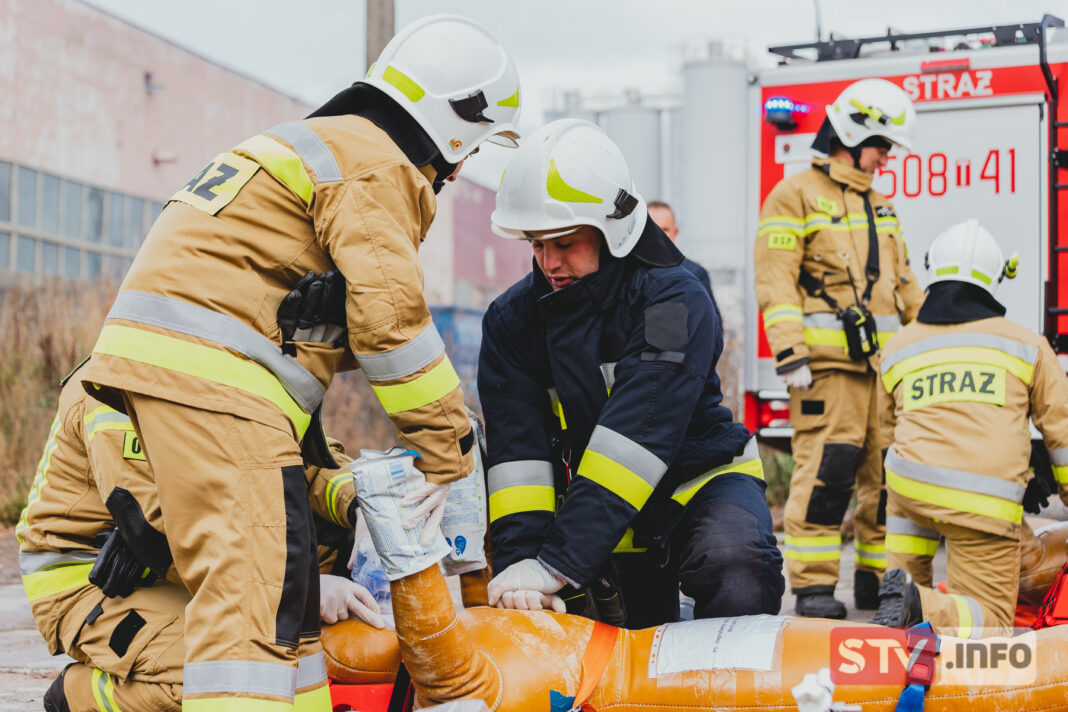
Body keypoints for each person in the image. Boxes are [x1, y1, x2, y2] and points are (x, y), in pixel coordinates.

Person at [78, 15, 520, 711]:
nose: (460, 172)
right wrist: (449, 450)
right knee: (253, 607)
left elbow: (300, 315)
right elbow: (394, 325)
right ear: (455, 127)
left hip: (182, 375)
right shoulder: (376, 161)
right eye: (473, 149)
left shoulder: (316, 146)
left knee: (283, 595)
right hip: (219, 385)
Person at [478, 119, 783, 629]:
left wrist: (557, 563)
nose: (549, 263)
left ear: (612, 230)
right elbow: (518, 463)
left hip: (695, 485)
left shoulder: (673, 302)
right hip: (593, 509)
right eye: (535, 244)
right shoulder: (512, 322)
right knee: (618, 645)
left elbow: (638, 435)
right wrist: (523, 572)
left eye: (565, 243)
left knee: (735, 562)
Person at [17, 364, 382, 711]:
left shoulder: (228, 361)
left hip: (172, 566)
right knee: (226, 672)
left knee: (288, 611)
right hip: (91, 579)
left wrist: (362, 507)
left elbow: (307, 458)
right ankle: (80, 695)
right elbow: (161, 527)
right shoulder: (117, 385)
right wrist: (300, 589)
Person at [753, 78, 926, 618]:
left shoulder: (882, 205)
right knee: (827, 475)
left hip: (883, 374)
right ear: (851, 136)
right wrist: (791, 353)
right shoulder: (795, 194)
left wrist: (932, 342)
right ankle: (813, 588)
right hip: (825, 372)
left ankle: (876, 582)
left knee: (885, 480)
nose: (885, 158)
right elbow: (775, 279)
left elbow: (905, 285)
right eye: (881, 146)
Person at [870, 219, 1068, 637]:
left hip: (907, 491)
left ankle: (905, 602)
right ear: (995, 277)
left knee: (900, 610)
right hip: (981, 500)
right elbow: (1062, 433)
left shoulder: (898, 346)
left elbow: (885, 430)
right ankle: (919, 604)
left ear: (932, 272)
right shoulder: (1026, 345)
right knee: (989, 624)